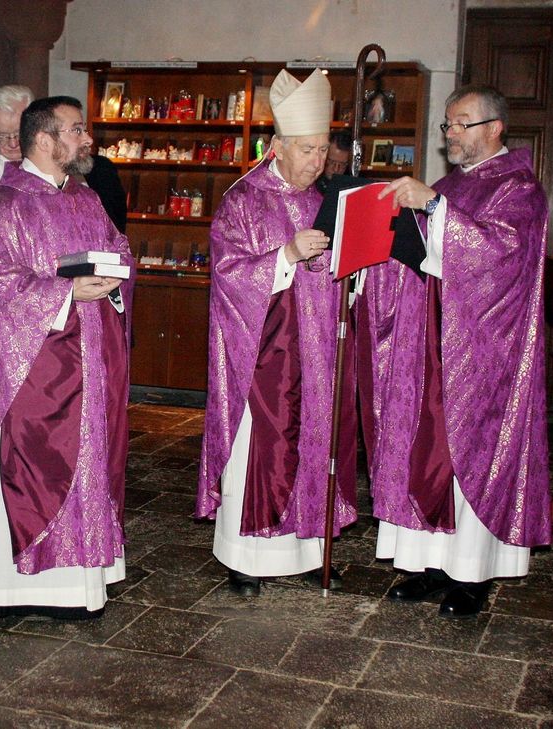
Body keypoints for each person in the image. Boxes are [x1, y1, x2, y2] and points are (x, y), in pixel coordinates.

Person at [0, 96, 133, 618]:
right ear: (45, 140)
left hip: (89, 361)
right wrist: (69, 295)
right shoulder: (8, 204)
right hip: (32, 371)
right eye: (76, 130)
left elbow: (120, 249)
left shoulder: (86, 197)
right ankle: (11, 587)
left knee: (91, 457)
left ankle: (79, 584)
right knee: (33, 463)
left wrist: (114, 276)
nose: (87, 139)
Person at [367, 84, 550, 617]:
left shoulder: (520, 190)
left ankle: (470, 573)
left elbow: (500, 256)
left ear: (494, 128)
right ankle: (425, 564)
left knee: (471, 450)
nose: (449, 134)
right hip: (429, 346)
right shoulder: (449, 184)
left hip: (485, 354)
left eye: (460, 124)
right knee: (426, 450)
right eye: (447, 124)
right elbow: (420, 255)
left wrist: (436, 208)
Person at [197, 68, 357, 598]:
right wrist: (286, 254)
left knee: (316, 443)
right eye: (308, 150)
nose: (319, 161)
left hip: (317, 352)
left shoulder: (323, 202)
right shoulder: (244, 200)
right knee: (262, 447)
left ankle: (310, 547)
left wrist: (350, 272)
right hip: (263, 353)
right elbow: (227, 273)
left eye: (322, 151)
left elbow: (337, 273)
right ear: (278, 146)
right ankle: (246, 554)